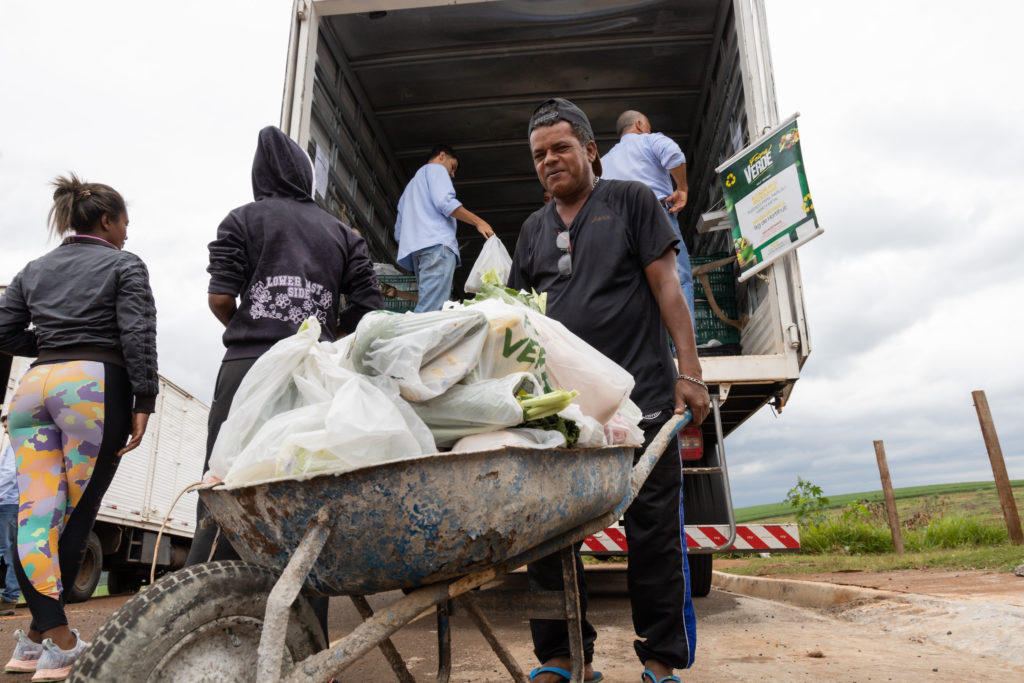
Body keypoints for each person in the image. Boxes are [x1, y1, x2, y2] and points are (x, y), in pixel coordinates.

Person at [508, 98, 711, 683]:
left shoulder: (631, 201)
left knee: (653, 532)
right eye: (539, 154)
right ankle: (563, 656)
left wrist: (690, 371)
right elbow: (520, 321)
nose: (550, 160)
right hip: (563, 412)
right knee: (549, 535)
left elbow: (667, 286)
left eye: (561, 148)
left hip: (642, 399)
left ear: (591, 150)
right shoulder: (533, 230)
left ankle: (660, 659)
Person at [185, 126, 384, 637]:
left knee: (222, 487)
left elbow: (220, 297)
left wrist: (250, 325)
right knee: (308, 494)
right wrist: (324, 332)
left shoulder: (242, 219)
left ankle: (198, 632)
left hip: (247, 366)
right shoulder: (343, 234)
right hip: (311, 371)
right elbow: (369, 305)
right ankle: (310, 645)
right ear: (304, 176)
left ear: (260, 176)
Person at [0, 174, 157, 680]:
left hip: (34, 385)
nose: (128, 233)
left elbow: (3, 330)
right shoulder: (125, 264)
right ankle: (61, 641)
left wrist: (52, 341)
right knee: (73, 517)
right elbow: (136, 332)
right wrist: (144, 397)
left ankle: (33, 643)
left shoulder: (34, 268)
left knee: (35, 516)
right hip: (91, 387)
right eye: (125, 223)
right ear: (107, 221)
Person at [600, 110, 695, 316]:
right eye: (648, 127)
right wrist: (682, 188)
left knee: (634, 288)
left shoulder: (603, 162)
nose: (649, 131)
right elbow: (674, 155)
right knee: (677, 279)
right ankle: (683, 338)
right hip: (655, 217)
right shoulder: (649, 141)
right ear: (639, 124)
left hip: (618, 229)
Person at [394, 145, 494, 311]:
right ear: (441, 156)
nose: (452, 174)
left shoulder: (410, 188)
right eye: (452, 167)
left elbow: (399, 232)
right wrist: (479, 222)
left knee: (430, 306)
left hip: (418, 254)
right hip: (437, 249)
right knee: (431, 311)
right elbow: (445, 202)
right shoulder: (436, 170)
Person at [1, 414, 21, 617]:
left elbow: (8, 474)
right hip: (10, 503)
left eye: (7, 426)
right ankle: (9, 597)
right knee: (10, 552)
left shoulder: (16, 445)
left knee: (8, 552)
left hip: (9, 504)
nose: (5, 430)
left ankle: (9, 598)